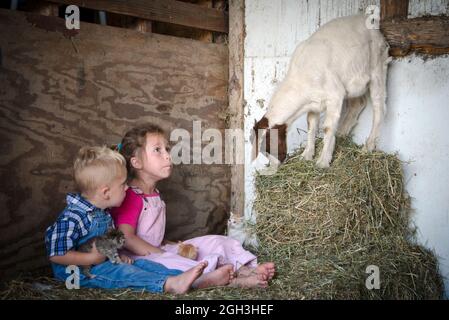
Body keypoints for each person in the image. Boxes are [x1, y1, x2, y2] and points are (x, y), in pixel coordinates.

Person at [45, 146, 232, 294]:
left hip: (102, 263)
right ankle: (169, 284)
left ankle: (192, 279)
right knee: (124, 273)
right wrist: (91, 258)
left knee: (144, 265)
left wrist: (116, 256)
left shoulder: (104, 212)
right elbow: (56, 254)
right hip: (77, 274)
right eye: (122, 185)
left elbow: (107, 245)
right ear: (105, 192)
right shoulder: (72, 217)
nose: (127, 188)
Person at [111, 124, 276, 288]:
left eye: (167, 149)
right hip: (139, 258)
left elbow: (153, 237)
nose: (168, 156)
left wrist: (175, 246)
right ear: (137, 162)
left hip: (159, 250)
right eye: (157, 150)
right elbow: (126, 238)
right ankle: (232, 281)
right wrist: (163, 253)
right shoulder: (131, 196)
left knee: (217, 241)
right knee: (179, 264)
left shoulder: (154, 194)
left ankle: (244, 268)